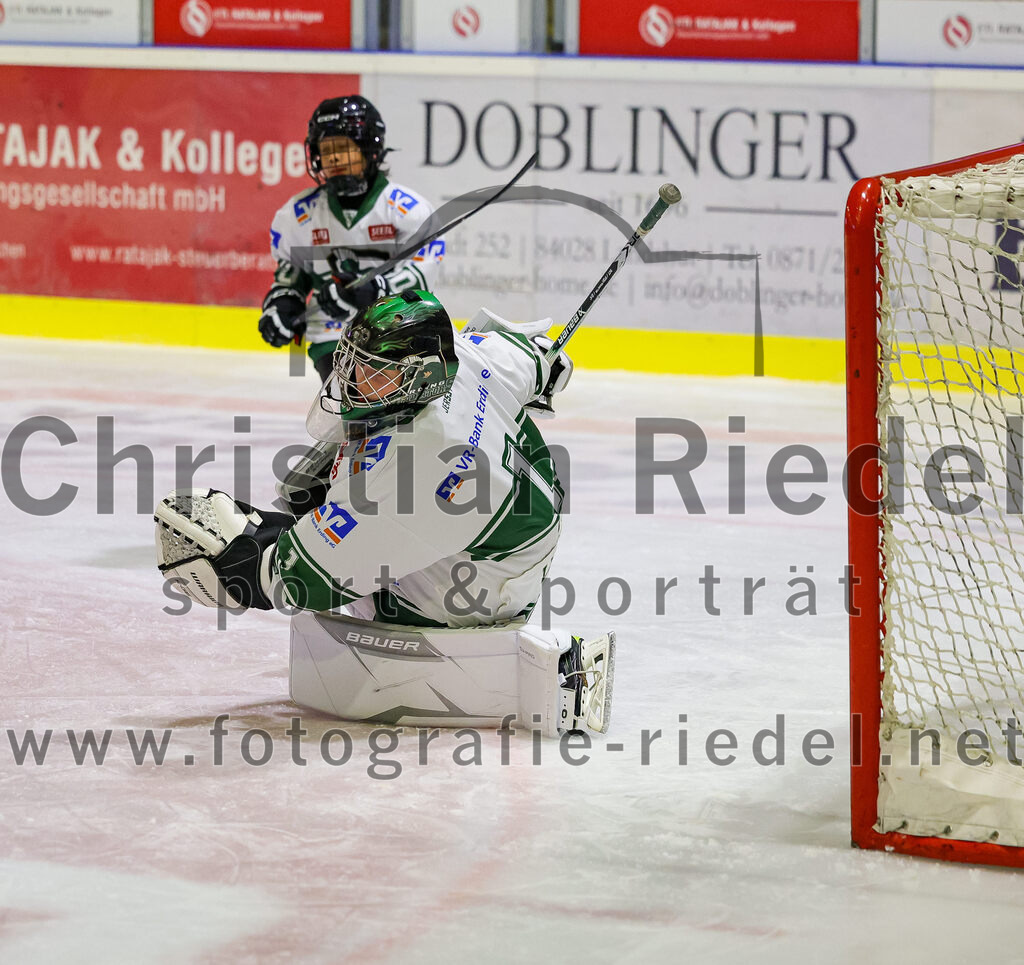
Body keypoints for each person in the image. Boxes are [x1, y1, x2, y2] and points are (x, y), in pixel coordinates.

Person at [155, 291, 615, 737]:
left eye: (375, 373)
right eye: (352, 361)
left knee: (290, 549)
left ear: (422, 378)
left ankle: (453, 627)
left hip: (482, 585)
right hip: (519, 515)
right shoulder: (471, 358)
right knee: (310, 489)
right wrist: (547, 365)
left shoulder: (416, 471)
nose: (353, 379)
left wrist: (244, 567)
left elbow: (297, 583)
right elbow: (528, 352)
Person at [257, 95, 443, 383]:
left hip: (399, 331)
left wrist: (376, 291)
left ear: (370, 149)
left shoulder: (408, 210)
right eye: (326, 149)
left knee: (405, 423)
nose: (333, 158)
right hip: (333, 335)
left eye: (343, 147)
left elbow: (420, 280)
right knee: (359, 413)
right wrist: (283, 303)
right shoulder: (298, 215)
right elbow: (290, 278)